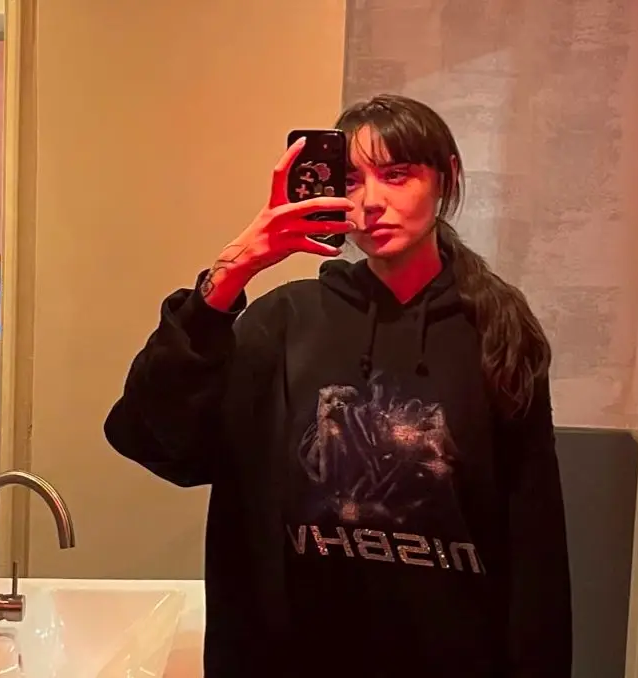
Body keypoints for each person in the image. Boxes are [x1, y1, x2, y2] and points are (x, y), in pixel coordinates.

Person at [104, 94, 572, 677]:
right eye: (350, 181)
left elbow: (534, 546)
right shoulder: (286, 323)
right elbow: (153, 436)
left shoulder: (498, 332)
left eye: (397, 175)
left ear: (446, 178)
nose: (371, 201)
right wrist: (234, 271)